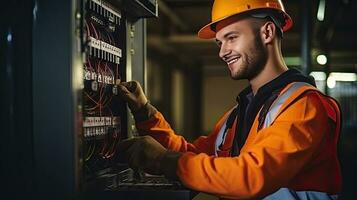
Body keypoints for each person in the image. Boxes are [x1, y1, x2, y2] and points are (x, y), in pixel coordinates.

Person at [116, 0, 342, 199]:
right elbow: (192, 156)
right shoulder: (239, 114)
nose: (222, 52)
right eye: (219, 43)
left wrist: (165, 160)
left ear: (267, 33)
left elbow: (252, 176)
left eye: (232, 38)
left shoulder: (305, 105)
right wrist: (144, 112)